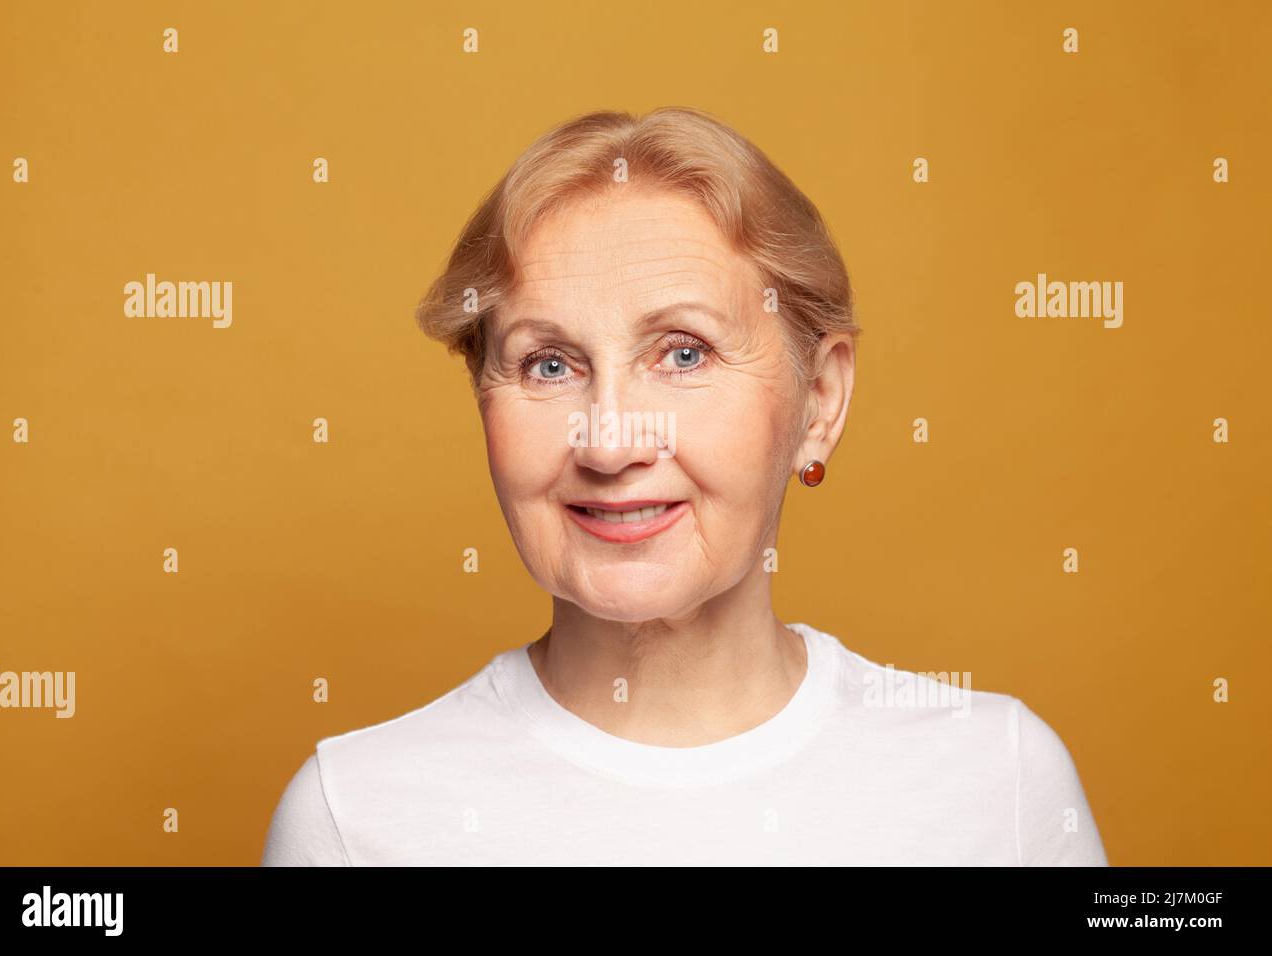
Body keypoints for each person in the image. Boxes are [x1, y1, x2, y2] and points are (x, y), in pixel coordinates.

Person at [261, 107, 1108, 866]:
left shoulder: (998, 781)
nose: (611, 439)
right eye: (548, 364)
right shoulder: (354, 818)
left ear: (820, 400)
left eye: (684, 353)